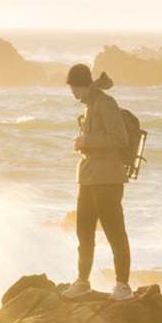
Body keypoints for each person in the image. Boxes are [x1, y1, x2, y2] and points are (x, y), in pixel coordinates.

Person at [62, 64, 134, 301]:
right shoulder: (90, 105)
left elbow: (120, 138)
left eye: (72, 86)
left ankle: (122, 286)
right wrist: (85, 143)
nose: (71, 91)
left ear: (81, 84)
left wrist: (87, 141)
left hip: (108, 179)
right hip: (89, 177)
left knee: (115, 233)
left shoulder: (105, 103)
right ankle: (82, 282)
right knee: (84, 232)